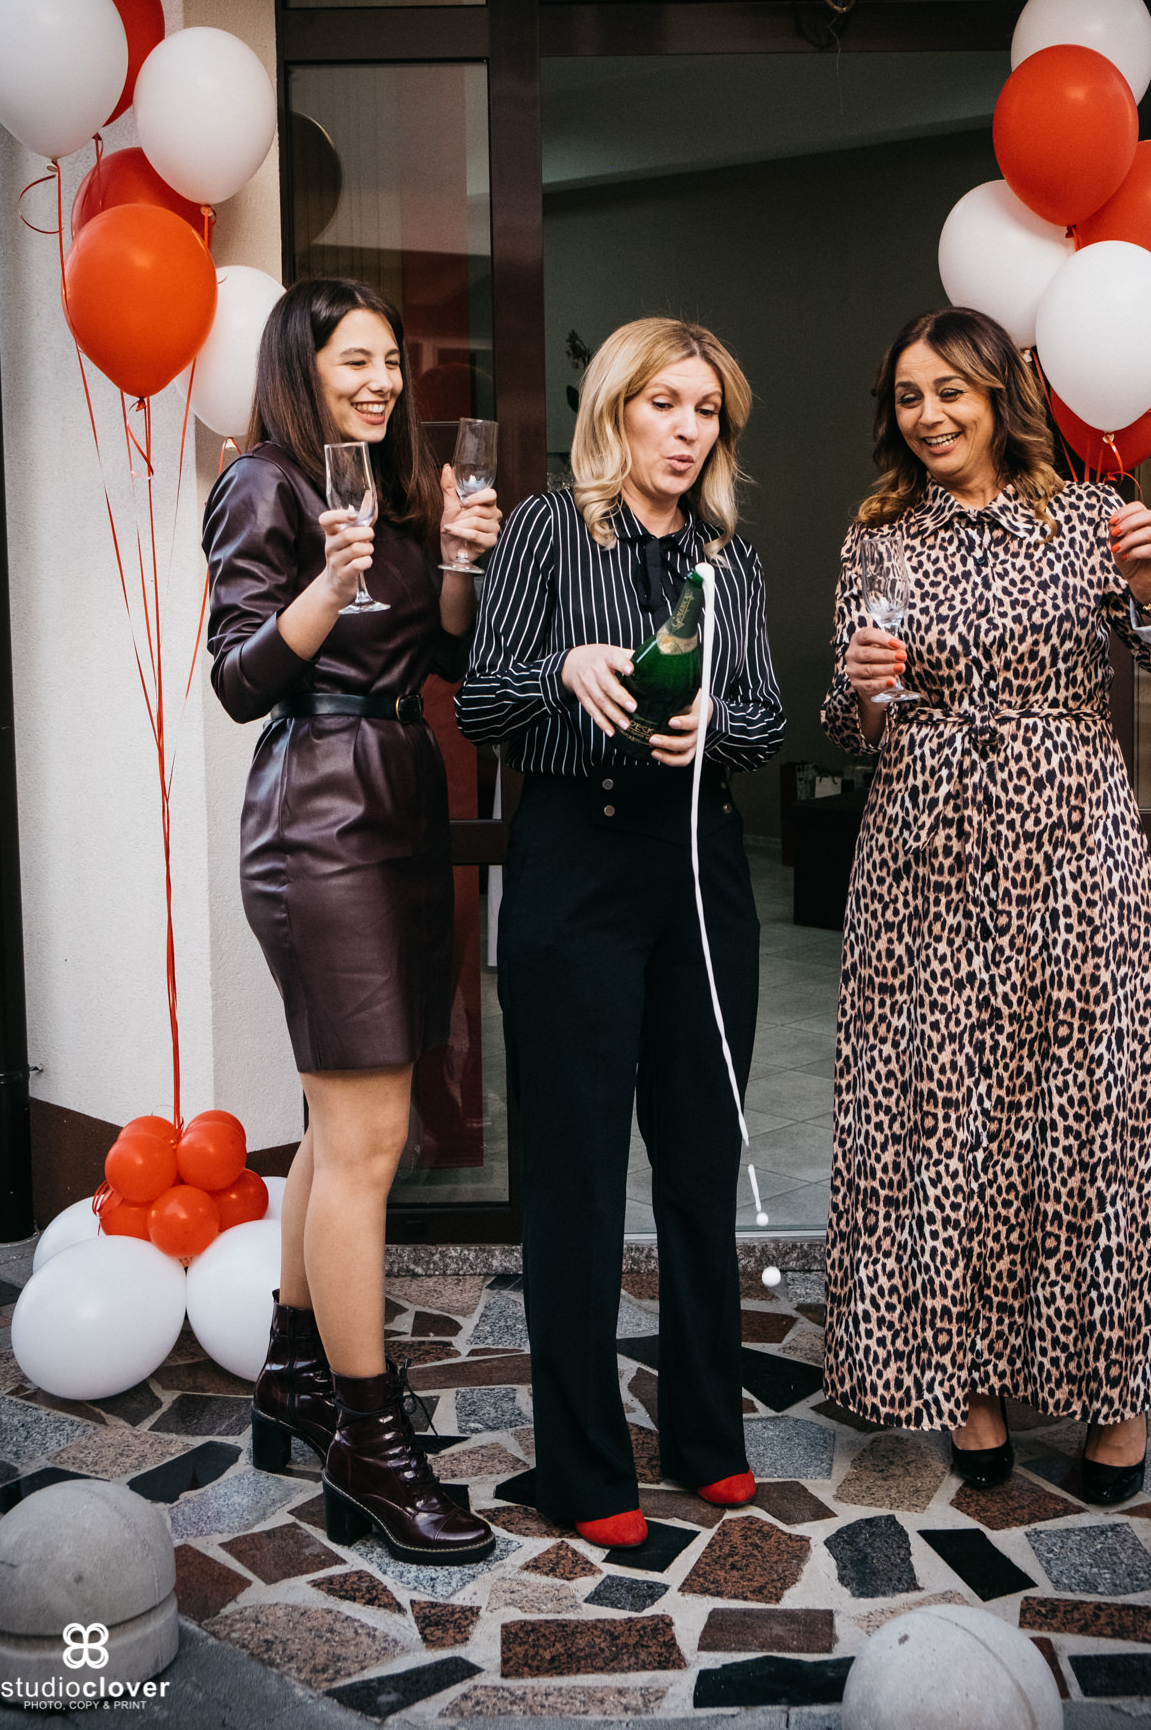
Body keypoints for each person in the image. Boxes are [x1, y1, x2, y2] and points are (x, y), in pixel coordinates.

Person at [820, 306, 1151, 1506]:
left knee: (1093, 1111)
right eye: (908, 395)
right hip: (926, 857)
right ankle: (976, 1384)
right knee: (948, 1118)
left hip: (1074, 852)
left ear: (999, 394)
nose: (929, 414)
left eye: (950, 390)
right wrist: (865, 690)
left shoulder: (1090, 517)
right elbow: (848, 726)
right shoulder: (879, 537)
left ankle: (1115, 1396)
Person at [456, 317, 784, 1545]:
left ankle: (705, 1435)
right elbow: (479, 700)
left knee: (697, 1162)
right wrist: (563, 668)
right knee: (580, 1178)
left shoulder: (729, 559)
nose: (687, 430)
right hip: (574, 866)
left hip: (699, 871)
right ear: (615, 410)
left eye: (706, 410)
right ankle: (584, 1465)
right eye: (665, 403)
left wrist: (713, 726)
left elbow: (766, 713)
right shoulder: (546, 530)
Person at [202, 276, 502, 1563]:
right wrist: (327, 582)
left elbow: (443, 657)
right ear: (302, 367)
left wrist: (462, 563)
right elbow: (239, 676)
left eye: (392, 362)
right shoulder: (264, 483)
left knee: (342, 1126)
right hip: (318, 812)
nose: (382, 383)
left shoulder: (392, 488)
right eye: (355, 362)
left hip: (401, 794)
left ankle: (293, 1371)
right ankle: (371, 1446)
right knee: (371, 1136)